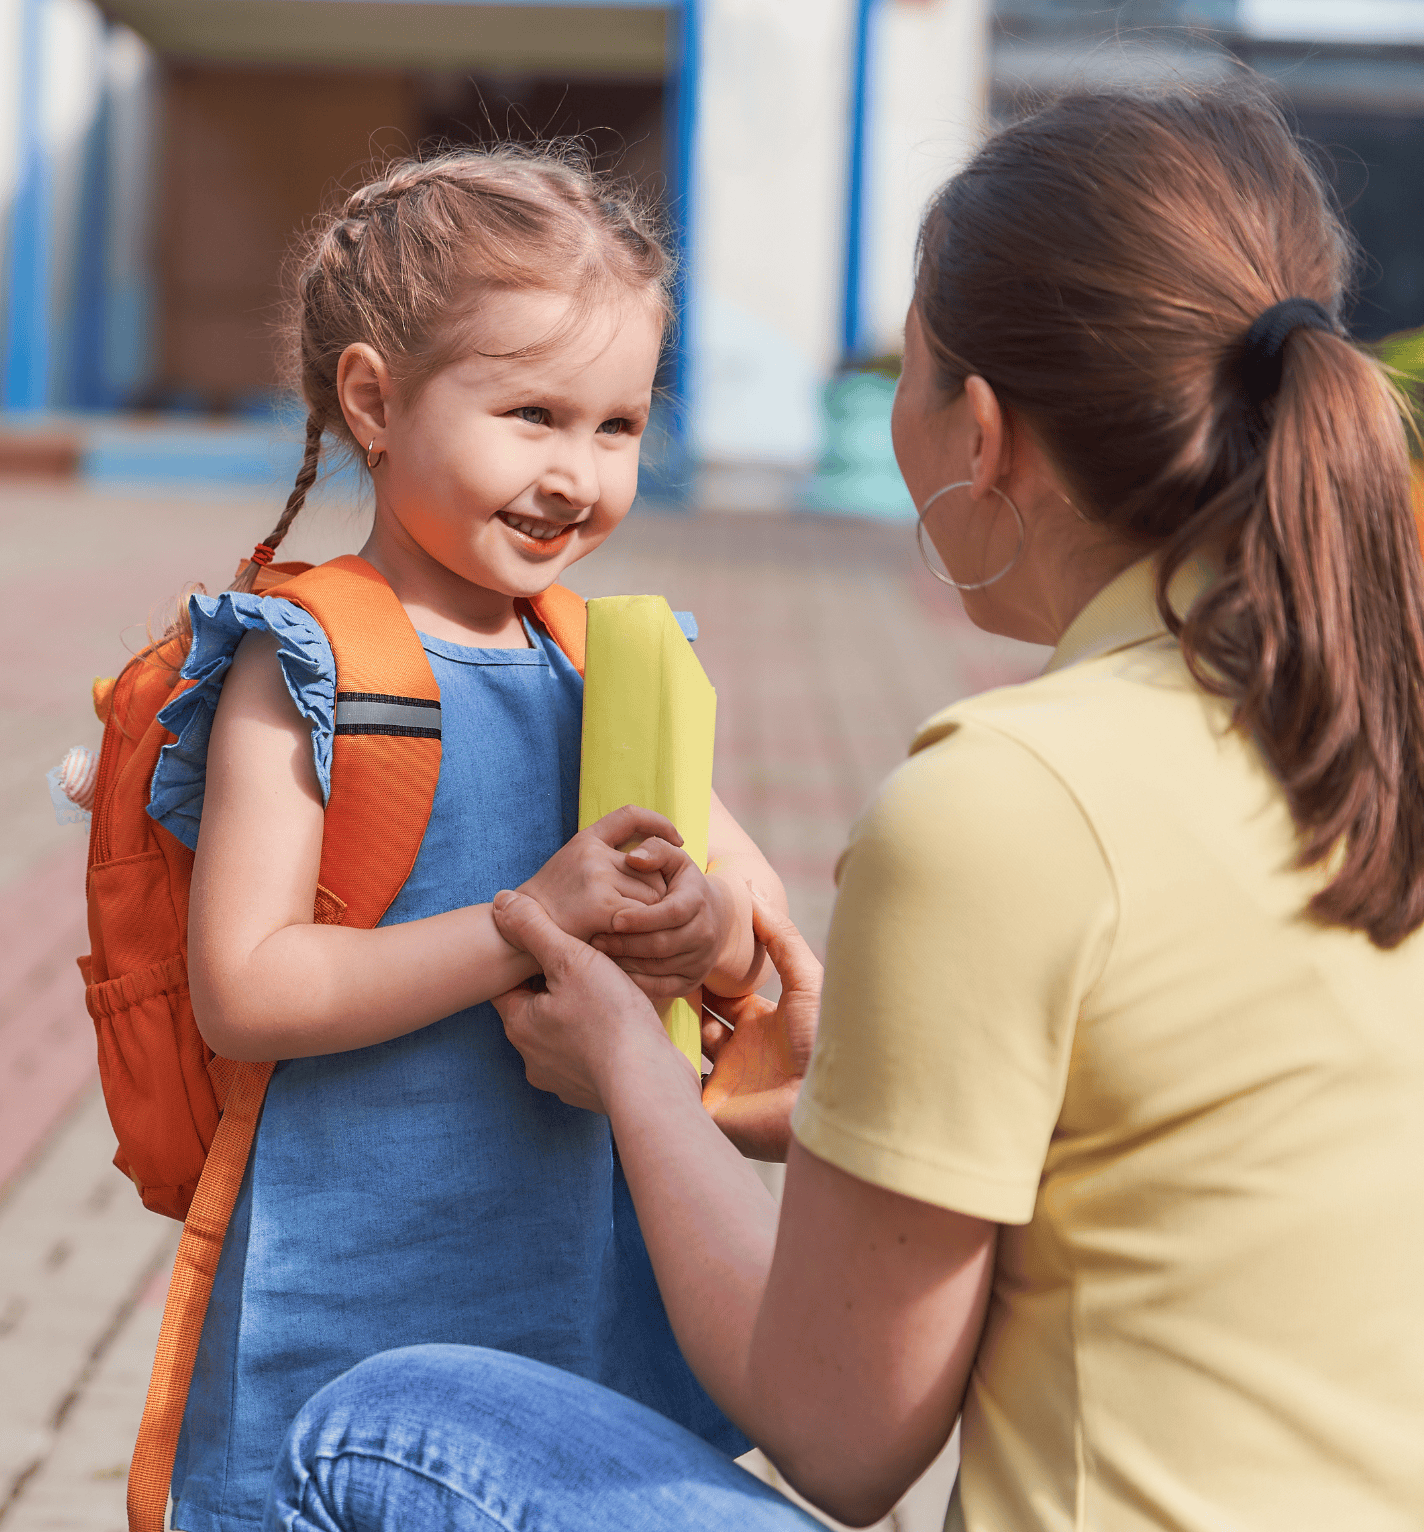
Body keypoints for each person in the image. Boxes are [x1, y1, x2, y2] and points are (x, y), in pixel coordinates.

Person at [262, 85, 1424, 1532]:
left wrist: (630, 1059)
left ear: (982, 432)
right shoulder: (1370, 724)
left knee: (383, 1423)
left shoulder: (1013, 801)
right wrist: (842, 1117)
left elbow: (843, 1438)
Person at [151, 148, 791, 1530]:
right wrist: (527, 915)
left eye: (618, 426)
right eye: (533, 414)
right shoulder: (307, 662)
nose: (576, 474)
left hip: (574, 1285)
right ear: (375, 400)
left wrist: (713, 930)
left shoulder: (607, 659)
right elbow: (247, 988)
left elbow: (748, 914)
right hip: (352, 1293)